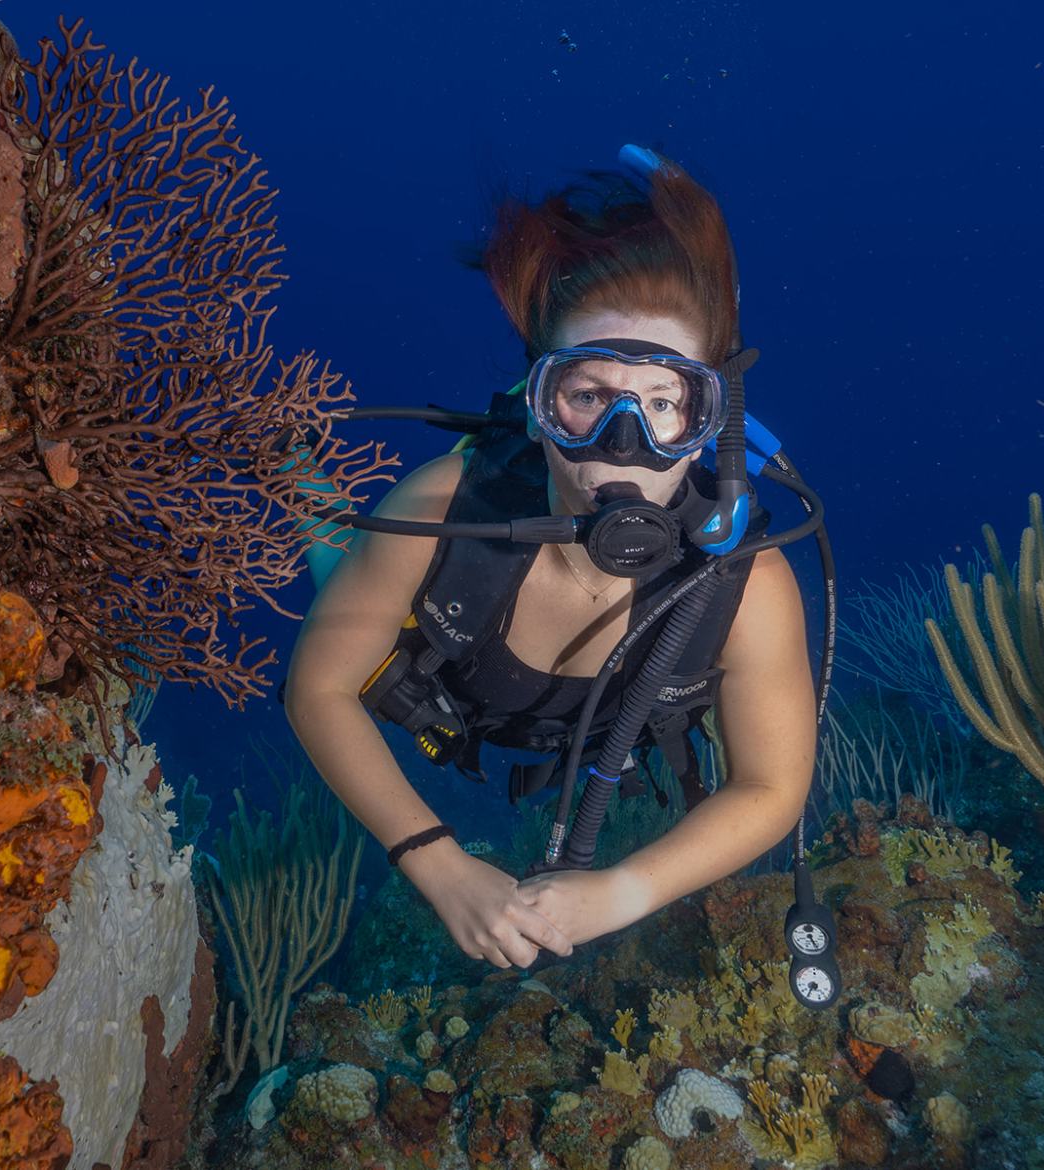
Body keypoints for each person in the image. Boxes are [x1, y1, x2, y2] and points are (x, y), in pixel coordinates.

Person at [283, 150, 818, 973]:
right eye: (588, 396)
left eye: (666, 404)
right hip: (440, 678)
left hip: (602, 732)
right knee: (343, 574)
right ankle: (298, 476)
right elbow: (318, 687)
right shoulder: (441, 511)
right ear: (538, 410)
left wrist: (624, 891)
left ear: (710, 426)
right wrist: (437, 862)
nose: (623, 445)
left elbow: (772, 787)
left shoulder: (745, 586)